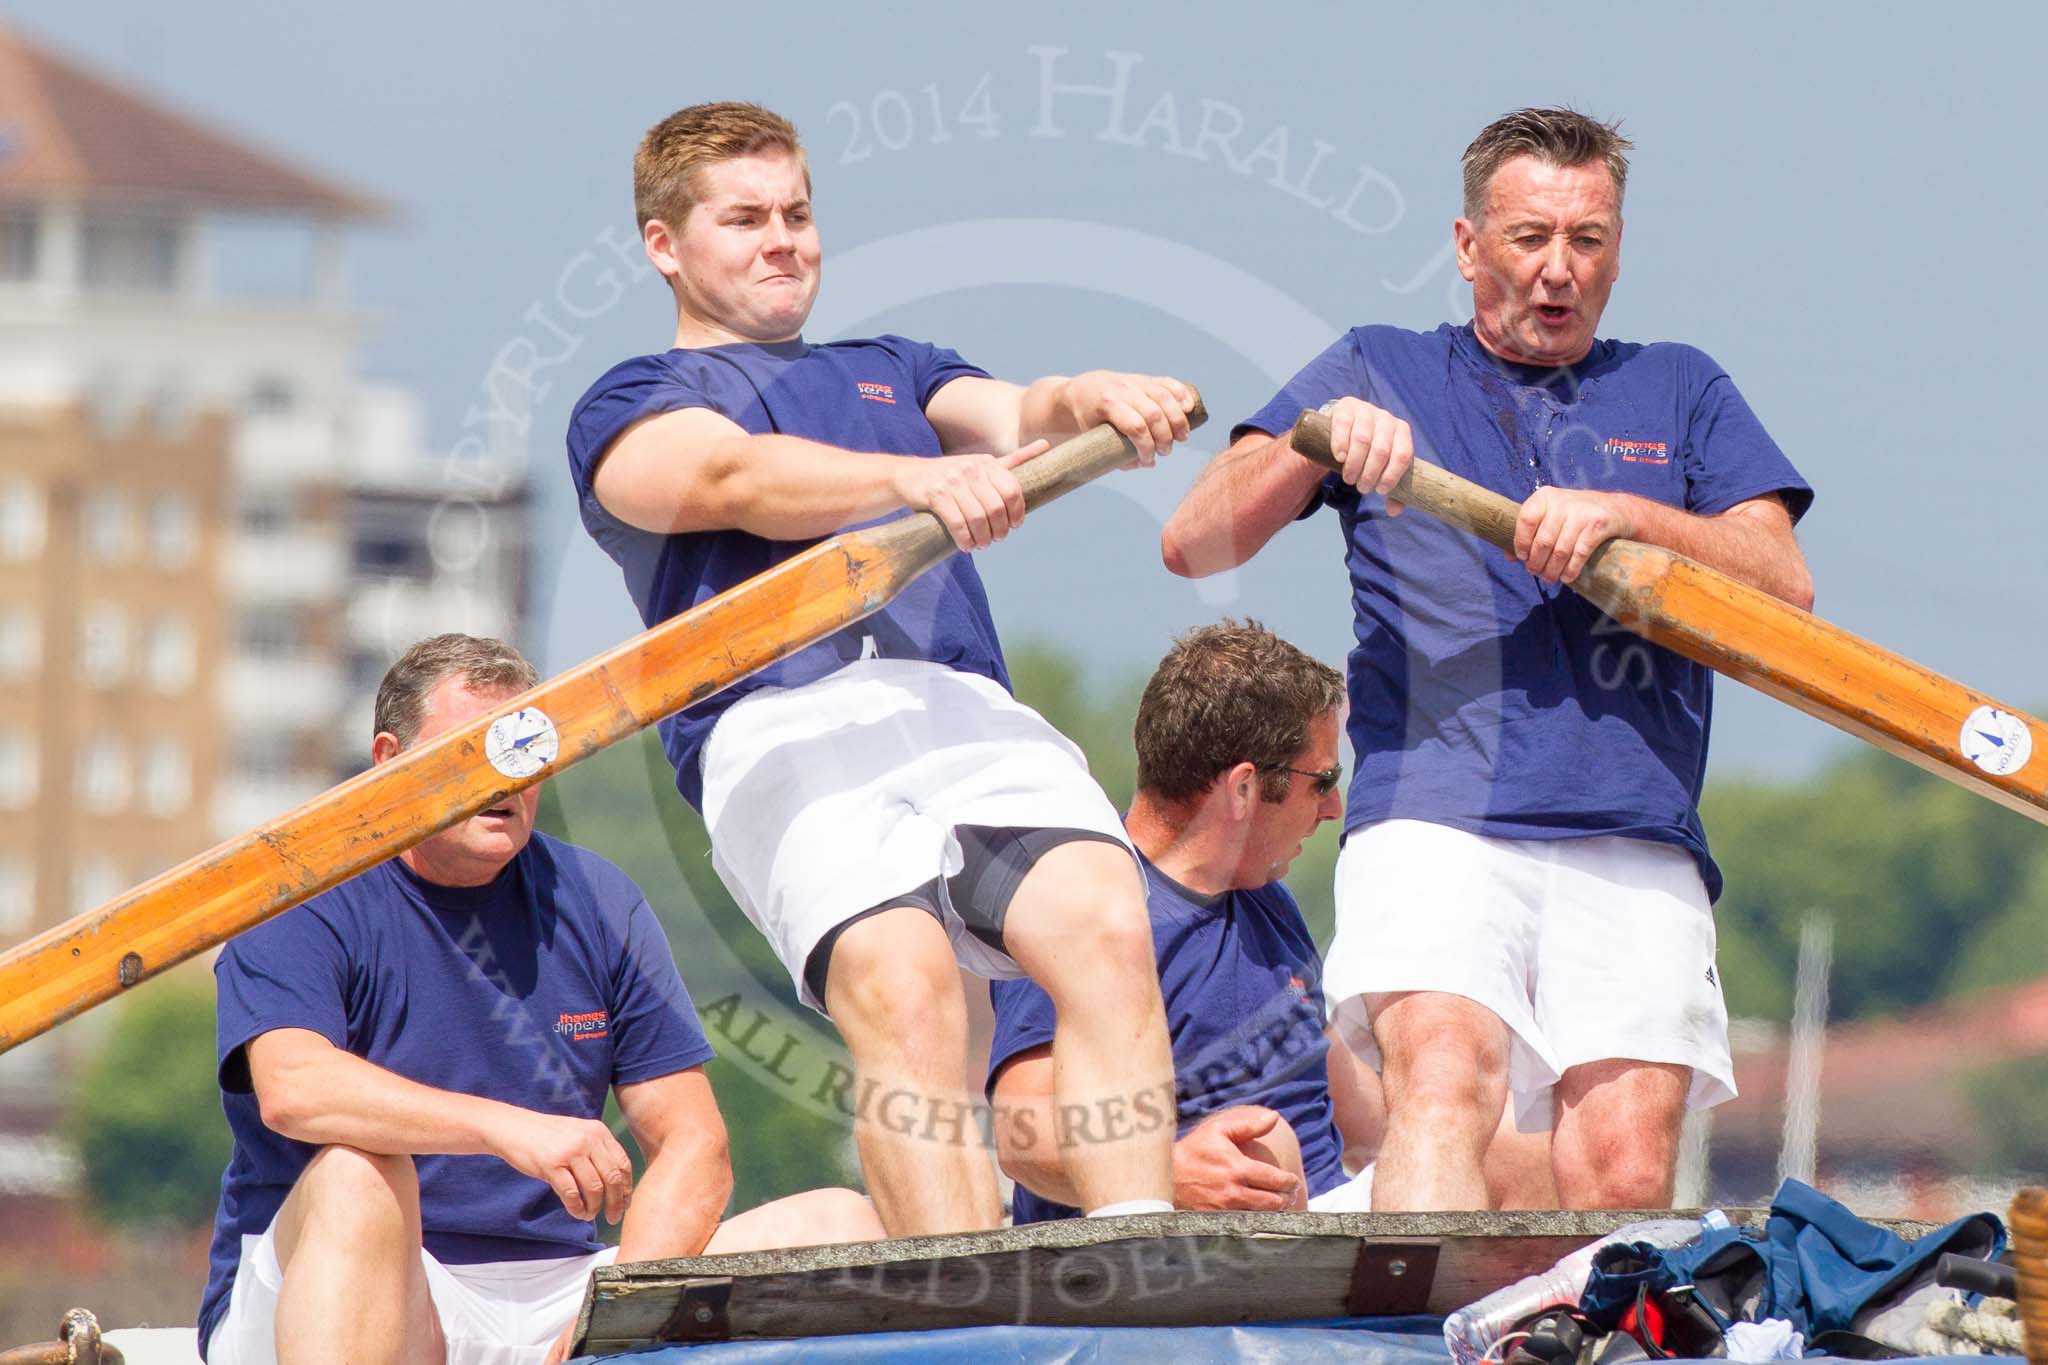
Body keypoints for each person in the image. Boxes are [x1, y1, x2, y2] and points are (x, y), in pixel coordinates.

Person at [1161, 108, 1815, 1211]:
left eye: (1587, 240)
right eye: (1527, 239)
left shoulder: (1680, 385)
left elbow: (1780, 587)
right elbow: (1195, 540)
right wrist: (1316, 438)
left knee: (1620, 1160)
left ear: (1616, 246)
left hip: (1632, 824)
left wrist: (1627, 516)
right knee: (1441, 1084)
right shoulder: (1378, 365)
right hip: (1434, 813)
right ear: (1468, 247)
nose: (1557, 271)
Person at [564, 102, 1198, 1235]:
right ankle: (965, 1310)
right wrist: (905, 482)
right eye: (745, 218)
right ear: (665, 245)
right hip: (779, 730)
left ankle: (1140, 1269)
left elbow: (1014, 413)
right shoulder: (629, 403)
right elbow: (726, 482)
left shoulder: (893, 368)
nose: (782, 241)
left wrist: (1087, 393)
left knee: (1102, 917)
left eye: (798, 214)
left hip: (953, 707)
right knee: (907, 993)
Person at [198, 635, 881, 1365]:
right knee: (360, 1175)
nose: (504, 778)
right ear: (389, 760)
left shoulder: (598, 898)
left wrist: (610, 1313)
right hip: (357, 1280)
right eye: (471, 751)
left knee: (844, 1225)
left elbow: (694, 1146)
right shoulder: (302, 890)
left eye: (522, 750)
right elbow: (292, 1087)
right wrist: (505, 1128)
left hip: (559, 1290)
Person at [987, 622, 1377, 1218]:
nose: (1334, 809)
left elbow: (1357, 1108)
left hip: (1321, 1232)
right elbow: (1022, 1135)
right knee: (1267, 1148)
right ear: (1244, 788)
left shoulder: (1269, 901)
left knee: (1502, 1140)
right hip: (1171, 1271)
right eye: (1322, 781)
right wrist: (1164, 1177)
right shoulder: (1080, 906)